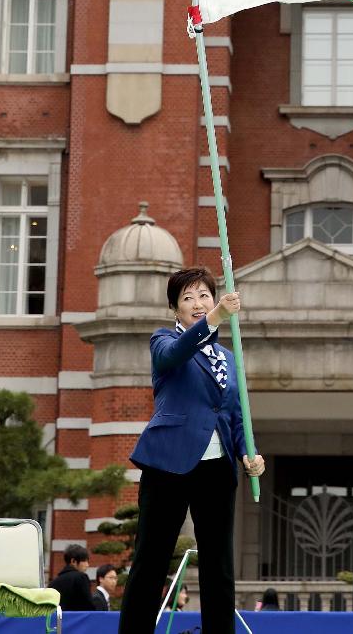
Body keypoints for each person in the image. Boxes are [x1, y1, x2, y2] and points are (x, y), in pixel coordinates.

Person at [118, 267, 265, 634]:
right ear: (175, 309)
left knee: (219, 566)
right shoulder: (163, 341)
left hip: (217, 469)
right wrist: (215, 319)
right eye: (188, 298)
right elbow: (176, 355)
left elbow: (233, 414)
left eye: (204, 295)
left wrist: (248, 452)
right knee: (151, 560)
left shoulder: (230, 359)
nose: (198, 304)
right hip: (169, 463)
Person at [49, 544, 99, 611]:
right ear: (73, 561)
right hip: (78, 619)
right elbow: (88, 606)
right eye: (84, 561)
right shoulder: (81, 578)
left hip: (58, 620)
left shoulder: (54, 582)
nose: (87, 565)